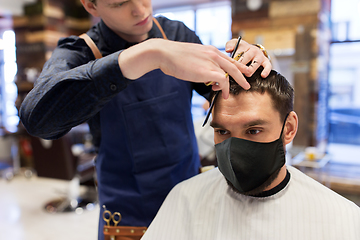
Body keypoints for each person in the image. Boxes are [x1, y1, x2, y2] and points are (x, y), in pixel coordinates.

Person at [19, 0, 272, 238]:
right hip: (128, 214)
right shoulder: (82, 52)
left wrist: (253, 63)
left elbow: (229, 91)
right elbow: (37, 119)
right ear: (90, 5)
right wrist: (149, 54)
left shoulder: (175, 34)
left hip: (190, 197)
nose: (140, 10)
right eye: (120, 3)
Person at [140, 67, 360, 240]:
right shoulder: (185, 200)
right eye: (223, 131)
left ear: (289, 128)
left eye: (254, 130)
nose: (236, 150)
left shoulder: (341, 218)